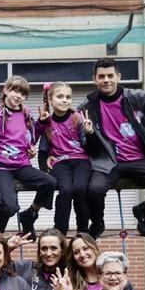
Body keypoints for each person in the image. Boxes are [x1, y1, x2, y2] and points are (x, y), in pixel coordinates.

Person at [77, 58, 145, 237]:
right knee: (94, 189)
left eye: (110, 76)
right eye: (101, 76)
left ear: (118, 77)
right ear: (94, 79)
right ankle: (97, 223)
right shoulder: (86, 107)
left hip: (138, 160)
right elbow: (84, 146)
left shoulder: (136, 98)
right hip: (108, 162)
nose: (106, 80)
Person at [0, 75, 56, 236]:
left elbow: (31, 138)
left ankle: (30, 213)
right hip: (2, 166)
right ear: (5, 90)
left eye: (22, 93)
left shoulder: (26, 114)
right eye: (14, 91)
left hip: (22, 164)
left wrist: (41, 123)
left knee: (50, 182)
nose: (18, 96)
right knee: (10, 206)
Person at [37, 81, 91, 235]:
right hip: (60, 162)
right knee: (65, 191)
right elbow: (43, 149)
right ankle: (60, 232)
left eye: (68, 97)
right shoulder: (47, 122)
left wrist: (89, 132)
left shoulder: (77, 118)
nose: (64, 100)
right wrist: (44, 171)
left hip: (82, 160)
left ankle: (83, 230)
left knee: (80, 189)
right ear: (51, 99)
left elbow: (88, 144)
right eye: (60, 96)